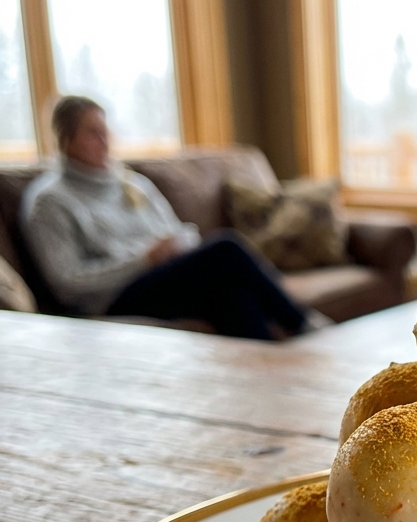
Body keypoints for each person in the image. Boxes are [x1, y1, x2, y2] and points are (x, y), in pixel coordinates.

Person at [20, 95, 317, 340]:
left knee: (229, 294)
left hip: (163, 277)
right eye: (92, 133)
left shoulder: (131, 182)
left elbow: (179, 232)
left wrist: (174, 247)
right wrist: (144, 259)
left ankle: (275, 374)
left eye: (105, 130)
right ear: (66, 139)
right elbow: (67, 283)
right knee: (226, 248)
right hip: (114, 297)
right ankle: (305, 324)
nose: (105, 140)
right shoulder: (49, 200)